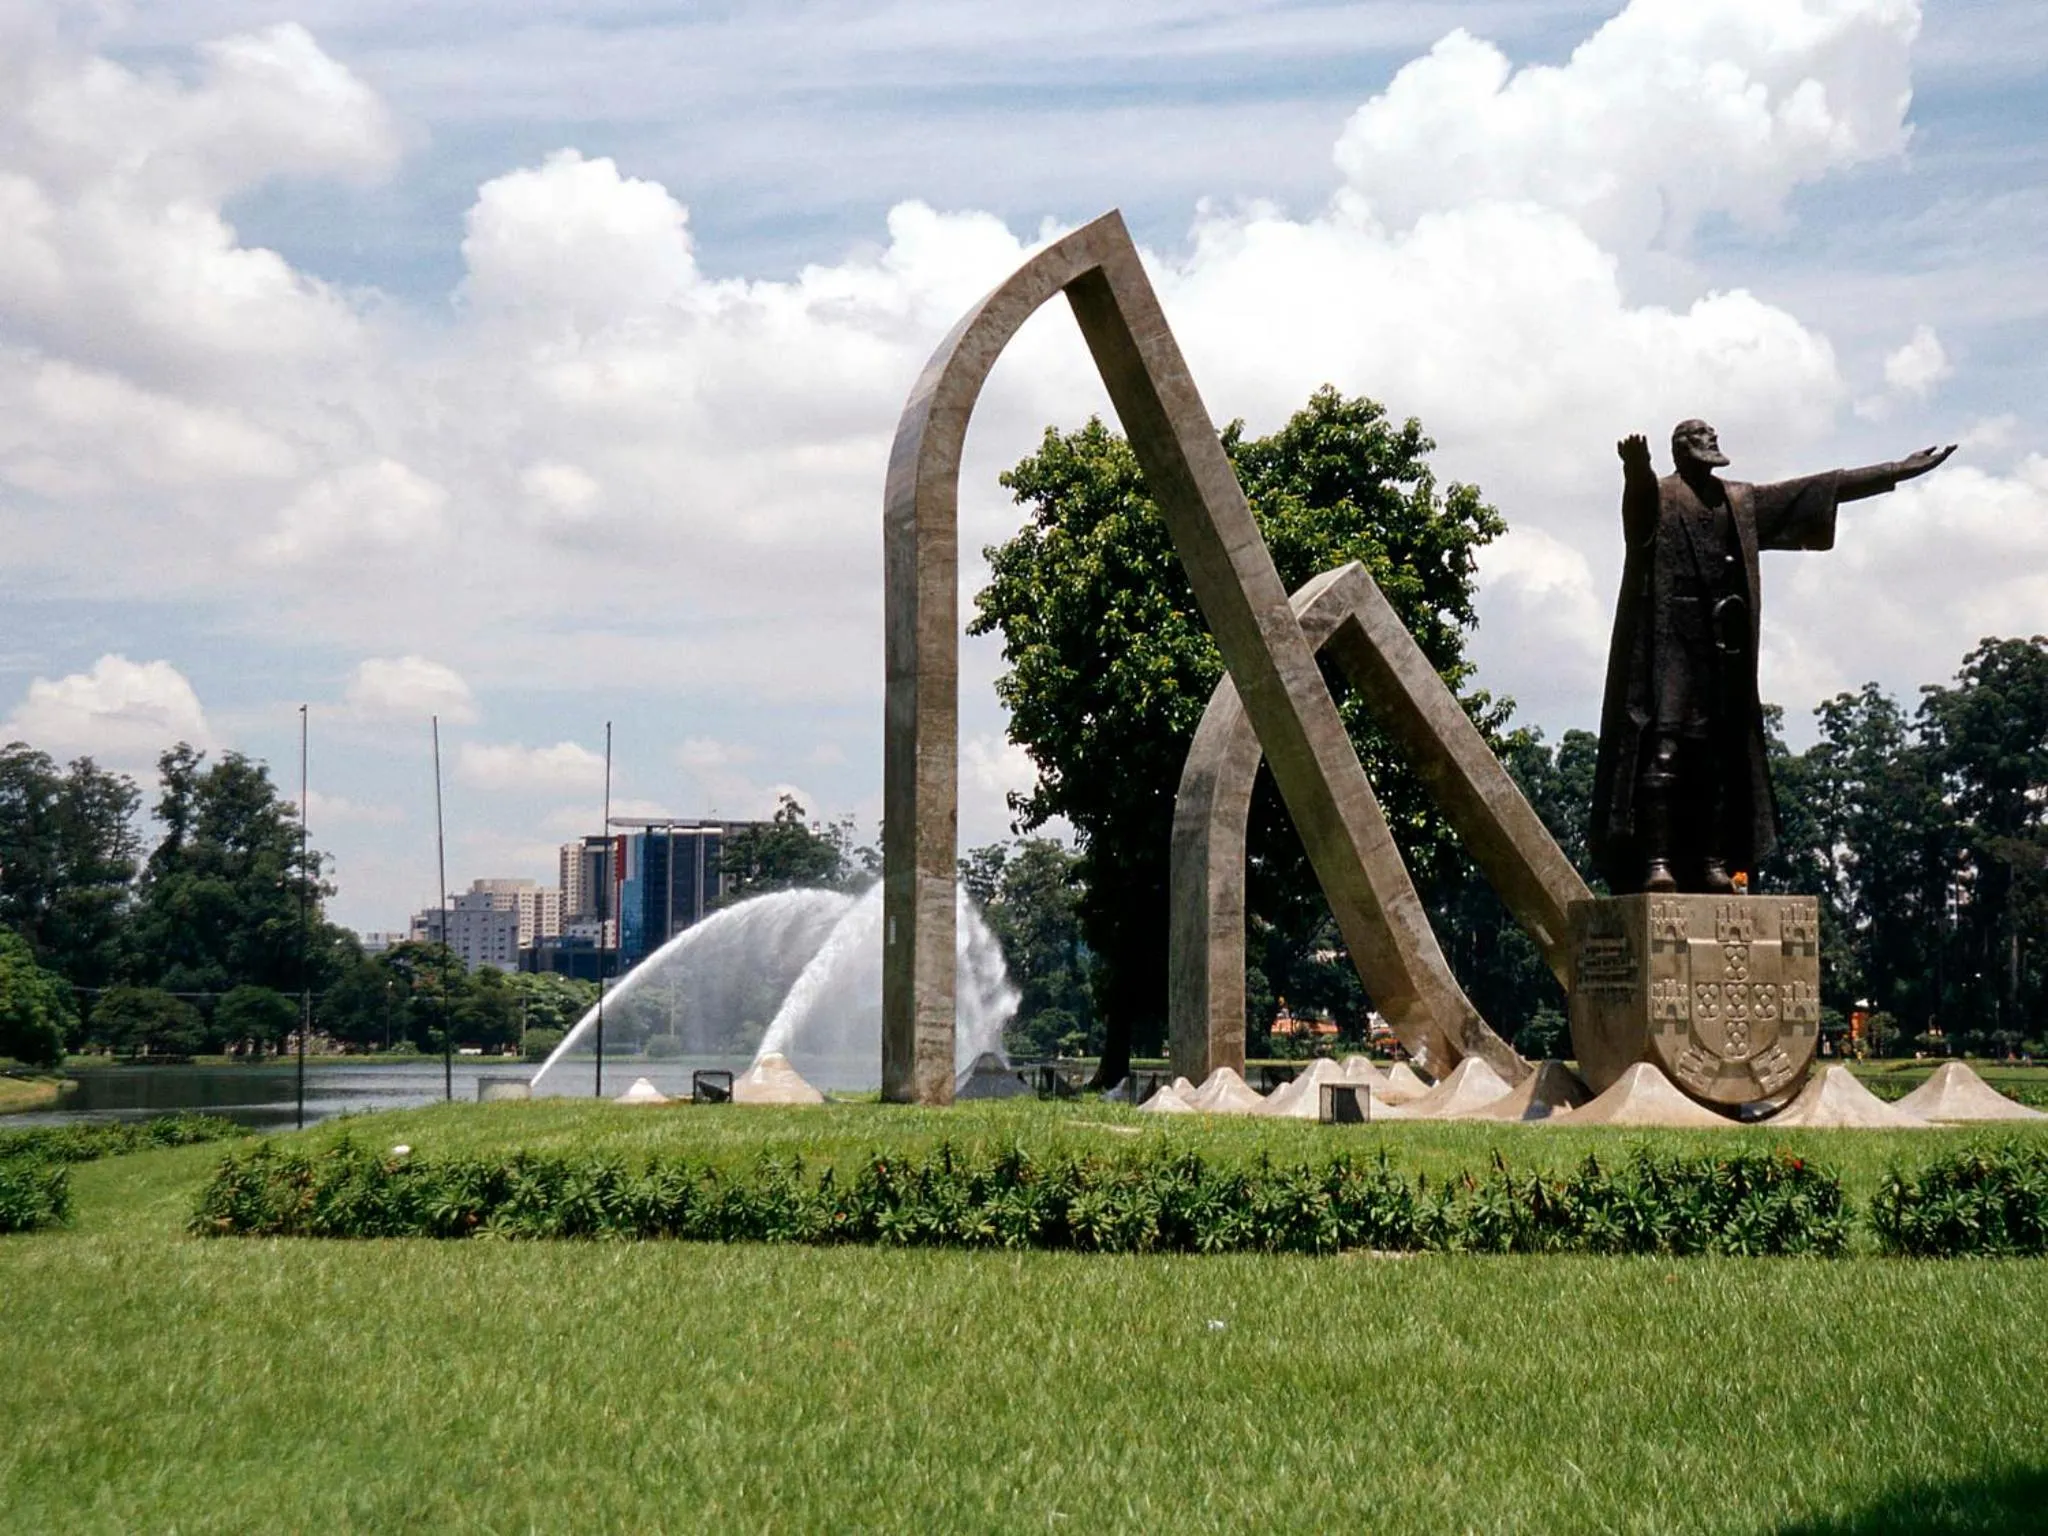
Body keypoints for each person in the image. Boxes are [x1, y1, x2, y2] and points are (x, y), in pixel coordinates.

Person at [1589, 420, 1954, 894]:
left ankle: (1712, 861)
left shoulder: (1737, 501)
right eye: (1700, 445)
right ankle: (1658, 861)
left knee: (1717, 756)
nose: (1710, 451)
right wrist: (1636, 474)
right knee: (1663, 751)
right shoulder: (1660, 495)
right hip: (1668, 642)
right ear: (1680, 453)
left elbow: (1816, 490)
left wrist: (1894, 472)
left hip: (1719, 647)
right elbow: (1638, 522)